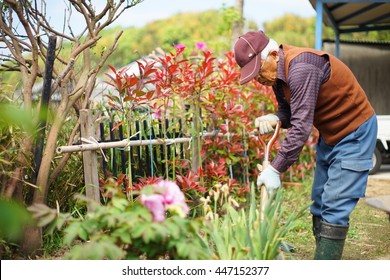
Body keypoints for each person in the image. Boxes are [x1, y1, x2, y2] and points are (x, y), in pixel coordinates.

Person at [233, 30, 377, 260]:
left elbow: (301, 126)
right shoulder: (278, 78)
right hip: (330, 134)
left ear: (273, 55)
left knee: (335, 203)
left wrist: (275, 168)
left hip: (354, 131)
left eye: (258, 71)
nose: (258, 80)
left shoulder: (302, 68)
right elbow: (290, 112)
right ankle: (323, 257)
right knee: (319, 201)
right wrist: (276, 118)